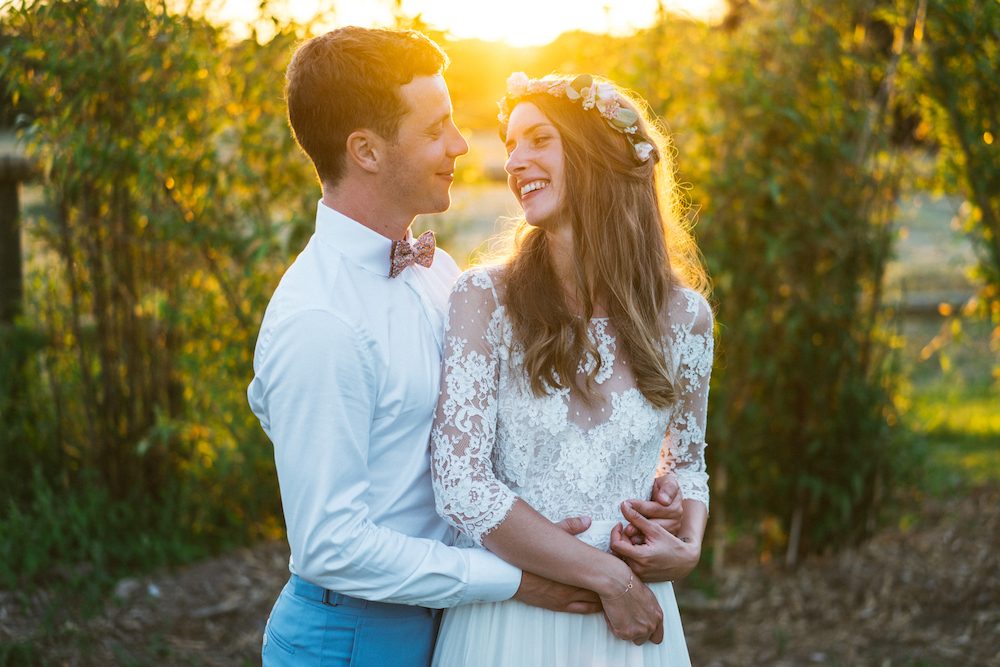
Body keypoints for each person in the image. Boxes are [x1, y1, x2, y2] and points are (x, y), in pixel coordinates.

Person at [247, 29, 684, 666]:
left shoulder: (439, 275)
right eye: (436, 129)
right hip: (355, 639)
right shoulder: (320, 320)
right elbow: (330, 546)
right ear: (365, 151)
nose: (460, 145)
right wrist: (517, 579)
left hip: (451, 622)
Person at [429, 72, 714, 666]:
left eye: (537, 139)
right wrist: (612, 581)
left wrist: (687, 547)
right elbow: (461, 484)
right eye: (510, 145)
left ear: (596, 153)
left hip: (634, 635)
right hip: (512, 626)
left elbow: (686, 465)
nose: (515, 161)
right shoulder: (485, 298)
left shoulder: (685, 317)